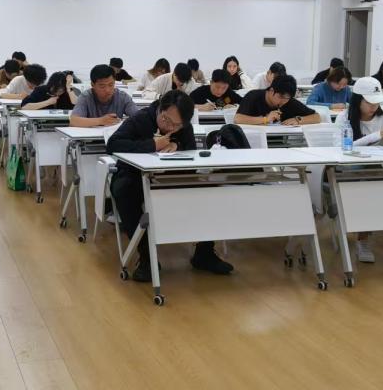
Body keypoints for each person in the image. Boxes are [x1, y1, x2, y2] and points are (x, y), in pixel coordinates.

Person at [107, 90, 233, 282]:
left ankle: (204, 253)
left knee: (209, 190)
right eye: (166, 120)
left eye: (176, 125)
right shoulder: (140, 119)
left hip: (171, 176)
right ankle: (147, 258)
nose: (170, 126)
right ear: (160, 109)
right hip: (134, 175)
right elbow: (113, 144)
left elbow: (191, 151)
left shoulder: (183, 126)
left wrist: (177, 146)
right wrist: (152, 145)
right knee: (124, 191)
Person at [337, 77, 383, 263]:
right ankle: (363, 239)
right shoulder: (344, 118)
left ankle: (365, 238)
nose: (374, 107)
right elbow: (340, 148)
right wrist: (373, 137)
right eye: (370, 103)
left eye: (377, 103)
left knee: (376, 185)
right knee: (372, 185)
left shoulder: (382, 119)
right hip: (345, 171)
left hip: (373, 172)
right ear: (358, 100)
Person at [234, 75, 321, 126]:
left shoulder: (288, 101)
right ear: (272, 90)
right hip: (252, 143)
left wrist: (298, 120)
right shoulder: (253, 96)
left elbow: (316, 117)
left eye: (287, 98)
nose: (283, 101)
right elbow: (238, 119)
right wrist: (265, 119)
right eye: (280, 96)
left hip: (280, 144)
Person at [71, 64, 137, 127]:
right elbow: (73, 121)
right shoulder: (85, 97)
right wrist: (101, 121)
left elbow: (139, 117)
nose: (107, 90)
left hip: (115, 134)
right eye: (102, 86)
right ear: (92, 85)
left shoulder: (122, 97)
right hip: (91, 134)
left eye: (111, 85)